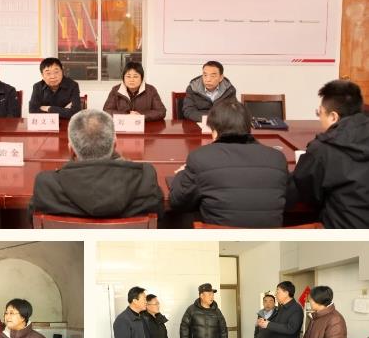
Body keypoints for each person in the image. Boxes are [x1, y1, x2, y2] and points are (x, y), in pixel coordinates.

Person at [169, 99, 288, 227]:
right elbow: (288, 199)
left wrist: (181, 174)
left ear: (214, 131)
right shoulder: (277, 158)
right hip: (271, 239)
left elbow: (178, 201)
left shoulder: (201, 158)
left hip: (220, 239)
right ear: (248, 127)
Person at [29, 109, 163, 220]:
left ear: (71, 150)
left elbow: (32, 220)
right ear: (115, 144)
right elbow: (160, 215)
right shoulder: (146, 178)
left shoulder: (46, 185)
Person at [288, 79, 369, 228]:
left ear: (333, 117)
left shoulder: (323, 148)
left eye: (319, 113)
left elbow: (306, 194)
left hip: (342, 235)